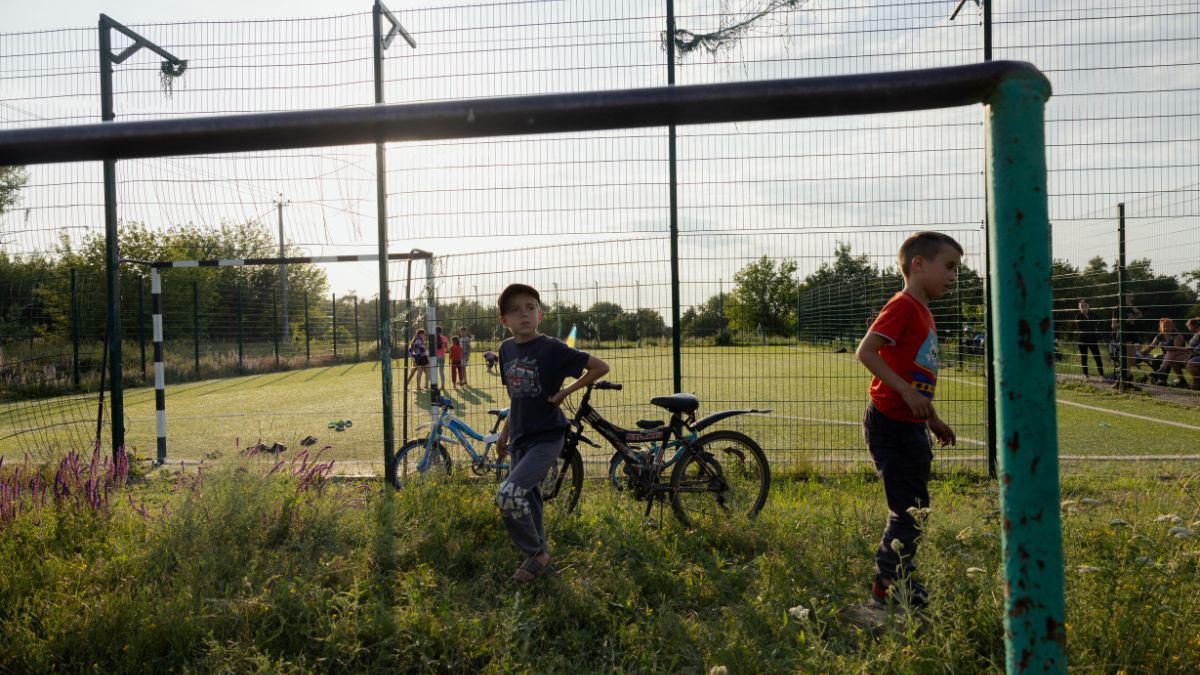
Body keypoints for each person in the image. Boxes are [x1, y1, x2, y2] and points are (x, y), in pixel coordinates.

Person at [855, 231, 961, 609]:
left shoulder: (924, 311)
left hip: (911, 425)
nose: (954, 276)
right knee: (907, 511)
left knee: (916, 507)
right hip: (889, 423)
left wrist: (932, 418)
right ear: (918, 264)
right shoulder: (902, 305)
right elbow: (866, 352)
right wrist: (904, 392)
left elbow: (918, 376)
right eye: (949, 266)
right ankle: (884, 594)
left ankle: (903, 577)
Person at [493, 283, 609, 583]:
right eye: (515, 310)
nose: (524, 314)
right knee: (529, 501)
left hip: (546, 437)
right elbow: (517, 397)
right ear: (504, 321)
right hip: (519, 437)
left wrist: (564, 392)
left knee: (508, 494)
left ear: (540, 314)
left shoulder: (552, 347)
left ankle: (537, 554)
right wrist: (505, 433)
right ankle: (540, 560)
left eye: (530, 307)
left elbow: (599, 367)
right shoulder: (506, 350)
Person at [1110, 291, 1144, 384]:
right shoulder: (1117, 309)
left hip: (1132, 335)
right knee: (1127, 358)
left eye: (1132, 297)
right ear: (1123, 297)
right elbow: (1113, 326)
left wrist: (1131, 307)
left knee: (1132, 360)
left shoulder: (1130, 308)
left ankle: (1125, 376)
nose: (1131, 299)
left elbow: (1140, 314)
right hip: (1123, 335)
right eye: (1129, 297)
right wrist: (1125, 321)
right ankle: (1126, 379)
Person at [1146, 318, 1188, 387]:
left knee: (1169, 359)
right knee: (1155, 358)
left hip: (1178, 355)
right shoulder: (1160, 336)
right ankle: (1161, 379)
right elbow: (1152, 346)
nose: (1165, 328)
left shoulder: (1177, 335)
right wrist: (1142, 353)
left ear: (1172, 327)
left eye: (1168, 326)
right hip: (1167, 356)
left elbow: (1176, 349)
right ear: (1161, 327)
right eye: (1164, 326)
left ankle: (1162, 374)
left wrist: (1165, 353)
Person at [1072, 299, 1105, 379]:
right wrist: (1093, 325)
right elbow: (1080, 327)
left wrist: (1096, 326)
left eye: (1084, 305)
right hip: (1082, 340)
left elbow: (1100, 321)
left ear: (1088, 306)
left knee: (1097, 357)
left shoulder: (1093, 313)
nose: (1083, 307)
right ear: (1079, 307)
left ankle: (1102, 375)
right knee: (1084, 358)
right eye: (1081, 306)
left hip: (1093, 339)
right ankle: (1087, 376)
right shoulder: (1078, 316)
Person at [1184, 318, 1200, 391]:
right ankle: (1182, 381)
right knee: (1173, 357)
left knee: (1191, 363)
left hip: (1196, 355)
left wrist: (1191, 353)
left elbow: (1196, 349)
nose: (1188, 328)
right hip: (1193, 354)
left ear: (1194, 326)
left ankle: (1196, 383)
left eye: (1189, 326)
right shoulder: (1196, 334)